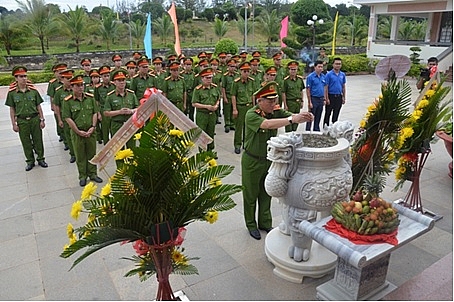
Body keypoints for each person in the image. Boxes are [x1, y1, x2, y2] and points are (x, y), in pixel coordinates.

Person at [242, 81, 313, 240]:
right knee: (250, 194)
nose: (273, 103)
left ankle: (265, 223)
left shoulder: (274, 110)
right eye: (270, 101)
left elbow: (289, 116)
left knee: (267, 191)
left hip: (268, 159)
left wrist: (302, 117)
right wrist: (291, 120)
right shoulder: (251, 114)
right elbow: (266, 124)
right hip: (251, 161)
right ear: (259, 101)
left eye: (275, 100)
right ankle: (251, 224)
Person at [62, 75, 103, 187]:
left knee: (92, 153)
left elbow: (95, 112)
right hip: (77, 133)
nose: (80, 88)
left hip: (90, 131)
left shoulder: (90, 98)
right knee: (80, 155)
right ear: (72, 87)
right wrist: (78, 131)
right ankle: (82, 176)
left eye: (82, 85)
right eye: (77, 85)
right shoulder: (67, 101)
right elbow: (67, 118)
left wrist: (93, 127)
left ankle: (93, 174)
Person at [5, 66, 48, 171]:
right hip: (22, 120)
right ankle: (30, 161)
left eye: (25, 76)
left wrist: (42, 119)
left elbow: (38, 106)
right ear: (16, 78)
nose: (24, 78)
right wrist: (13, 124)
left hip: (34, 119)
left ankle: (41, 158)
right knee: (26, 141)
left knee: (38, 140)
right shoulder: (12, 93)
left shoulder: (33, 91)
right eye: (21, 76)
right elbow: (12, 109)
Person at [104, 69, 139, 150]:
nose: (122, 82)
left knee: (131, 149)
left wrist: (131, 111)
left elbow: (138, 108)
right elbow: (106, 112)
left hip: (129, 124)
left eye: (123, 80)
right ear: (114, 82)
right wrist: (119, 112)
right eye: (119, 80)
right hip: (117, 125)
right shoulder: (110, 96)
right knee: (118, 149)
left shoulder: (131, 94)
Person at [192, 67, 221, 152]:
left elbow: (218, 98)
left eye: (210, 78)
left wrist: (216, 105)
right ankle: (202, 151)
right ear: (202, 78)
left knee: (211, 133)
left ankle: (210, 151)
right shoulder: (197, 90)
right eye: (207, 78)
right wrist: (206, 106)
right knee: (202, 134)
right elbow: (194, 103)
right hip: (202, 115)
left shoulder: (214, 88)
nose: (209, 80)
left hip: (212, 115)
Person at [231, 61, 256, 154]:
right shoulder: (236, 83)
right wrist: (234, 109)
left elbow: (253, 94)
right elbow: (233, 96)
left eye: (248, 71)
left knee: (248, 127)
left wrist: (254, 107)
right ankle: (237, 145)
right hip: (240, 107)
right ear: (240, 71)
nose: (246, 73)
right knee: (239, 127)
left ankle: (246, 144)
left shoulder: (252, 82)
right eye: (244, 71)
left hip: (249, 106)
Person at [53, 68, 77, 163]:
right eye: (67, 78)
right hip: (66, 118)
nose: (70, 80)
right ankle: (73, 154)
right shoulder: (59, 92)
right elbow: (57, 106)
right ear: (63, 79)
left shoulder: (76, 89)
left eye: (71, 78)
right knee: (69, 137)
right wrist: (59, 119)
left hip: (76, 117)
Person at [94, 65, 116, 145]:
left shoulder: (114, 86)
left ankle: (114, 144)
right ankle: (106, 144)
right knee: (105, 130)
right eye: (104, 76)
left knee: (113, 128)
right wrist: (98, 113)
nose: (106, 78)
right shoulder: (98, 88)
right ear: (101, 77)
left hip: (113, 110)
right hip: (103, 110)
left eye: (108, 76)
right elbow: (96, 101)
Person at [282, 61, 305, 132]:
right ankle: (288, 134)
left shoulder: (300, 80)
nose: (293, 71)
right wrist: (285, 105)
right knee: (289, 119)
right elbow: (283, 93)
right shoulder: (286, 81)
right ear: (289, 70)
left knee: (297, 119)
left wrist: (302, 101)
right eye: (291, 69)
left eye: (295, 69)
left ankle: (294, 132)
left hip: (297, 102)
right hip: (290, 102)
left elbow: (301, 91)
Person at [324, 57, 346, 127]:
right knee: (328, 114)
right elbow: (326, 87)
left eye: (339, 64)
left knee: (336, 114)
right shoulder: (329, 74)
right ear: (333, 65)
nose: (338, 65)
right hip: (331, 96)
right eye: (336, 64)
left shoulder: (342, 75)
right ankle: (325, 128)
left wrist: (343, 97)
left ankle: (334, 128)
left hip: (338, 97)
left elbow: (343, 86)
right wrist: (326, 98)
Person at [305, 60, 327, 132]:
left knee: (318, 116)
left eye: (321, 67)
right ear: (315, 67)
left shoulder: (323, 76)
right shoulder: (310, 77)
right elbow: (308, 89)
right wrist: (309, 102)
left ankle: (316, 129)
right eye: (319, 67)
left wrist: (324, 99)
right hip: (313, 98)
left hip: (320, 99)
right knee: (310, 116)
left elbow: (324, 88)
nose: (320, 68)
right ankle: (308, 130)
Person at [221, 59, 238, 133]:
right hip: (227, 95)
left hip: (234, 96)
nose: (233, 68)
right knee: (227, 111)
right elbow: (223, 87)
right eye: (231, 66)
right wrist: (224, 97)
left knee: (233, 110)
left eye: (234, 66)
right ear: (228, 67)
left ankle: (232, 124)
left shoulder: (237, 75)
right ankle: (227, 124)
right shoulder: (225, 76)